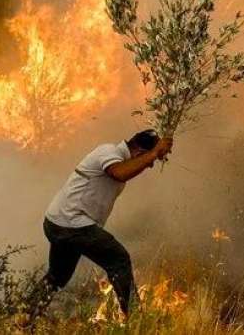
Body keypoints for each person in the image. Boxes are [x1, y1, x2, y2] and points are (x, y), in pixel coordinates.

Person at [30, 129, 172, 318]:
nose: (150, 165)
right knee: (118, 260)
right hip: (72, 224)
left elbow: (126, 171)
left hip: (58, 223)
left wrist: (153, 154)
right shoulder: (109, 152)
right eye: (149, 160)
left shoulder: (118, 157)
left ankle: (23, 317)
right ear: (138, 152)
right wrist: (154, 153)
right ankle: (137, 320)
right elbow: (120, 173)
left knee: (57, 277)